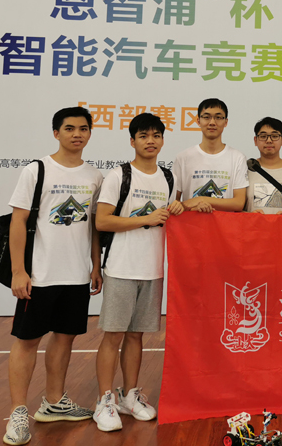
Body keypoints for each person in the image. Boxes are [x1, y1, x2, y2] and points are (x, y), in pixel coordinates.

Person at [3, 107, 104, 446]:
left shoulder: (94, 176)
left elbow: (93, 227)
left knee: (65, 337)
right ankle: (18, 412)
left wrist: (95, 265)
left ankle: (54, 401)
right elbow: (18, 222)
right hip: (39, 275)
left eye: (83, 128)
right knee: (27, 340)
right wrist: (19, 270)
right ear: (56, 133)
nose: (77, 134)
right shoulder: (37, 170)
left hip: (76, 275)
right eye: (70, 128)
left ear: (89, 133)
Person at [92, 113, 185, 432]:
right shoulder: (119, 175)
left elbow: (169, 217)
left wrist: (177, 208)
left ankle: (129, 395)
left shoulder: (169, 178)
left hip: (153, 268)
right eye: (143, 135)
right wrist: (145, 219)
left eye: (156, 135)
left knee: (136, 335)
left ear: (163, 140)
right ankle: (104, 400)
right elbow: (103, 220)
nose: (150, 141)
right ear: (132, 141)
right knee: (113, 335)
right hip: (121, 266)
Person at [173, 98, 248, 213]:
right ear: (198, 121)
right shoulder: (183, 158)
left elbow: (238, 203)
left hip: (225, 223)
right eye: (206, 117)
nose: (212, 122)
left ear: (226, 122)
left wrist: (201, 199)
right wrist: (192, 207)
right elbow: (174, 203)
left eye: (218, 117)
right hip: (191, 223)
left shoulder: (237, 158)